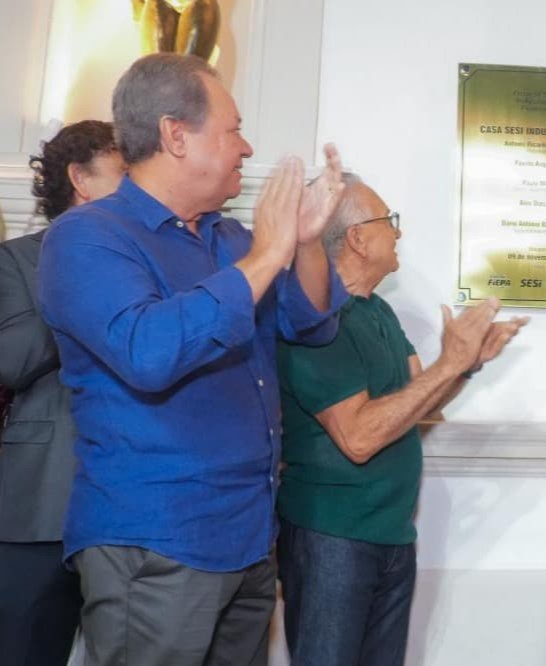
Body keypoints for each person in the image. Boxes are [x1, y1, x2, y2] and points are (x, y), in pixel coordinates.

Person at [37, 53, 347, 666]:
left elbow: (310, 324)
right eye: (233, 129)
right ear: (176, 135)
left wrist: (305, 245)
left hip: (249, 536)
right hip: (156, 538)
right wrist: (268, 254)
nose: (248, 146)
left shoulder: (230, 238)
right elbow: (150, 353)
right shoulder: (89, 237)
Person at [275, 175, 528, 666]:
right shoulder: (314, 319)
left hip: (391, 535)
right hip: (333, 537)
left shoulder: (379, 313)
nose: (399, 234)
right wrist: (451, 363)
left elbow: (420, 402)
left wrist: (468, 362)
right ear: (356, 238)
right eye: (389, 221)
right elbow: (359, 437)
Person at [0, 120, 124, 666]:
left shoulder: (148, 264)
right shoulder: (18, 261)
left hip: (126, 510)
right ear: (81, 179)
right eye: (124, 172)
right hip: (40, 508)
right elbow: (12, 360)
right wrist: (79, 283)